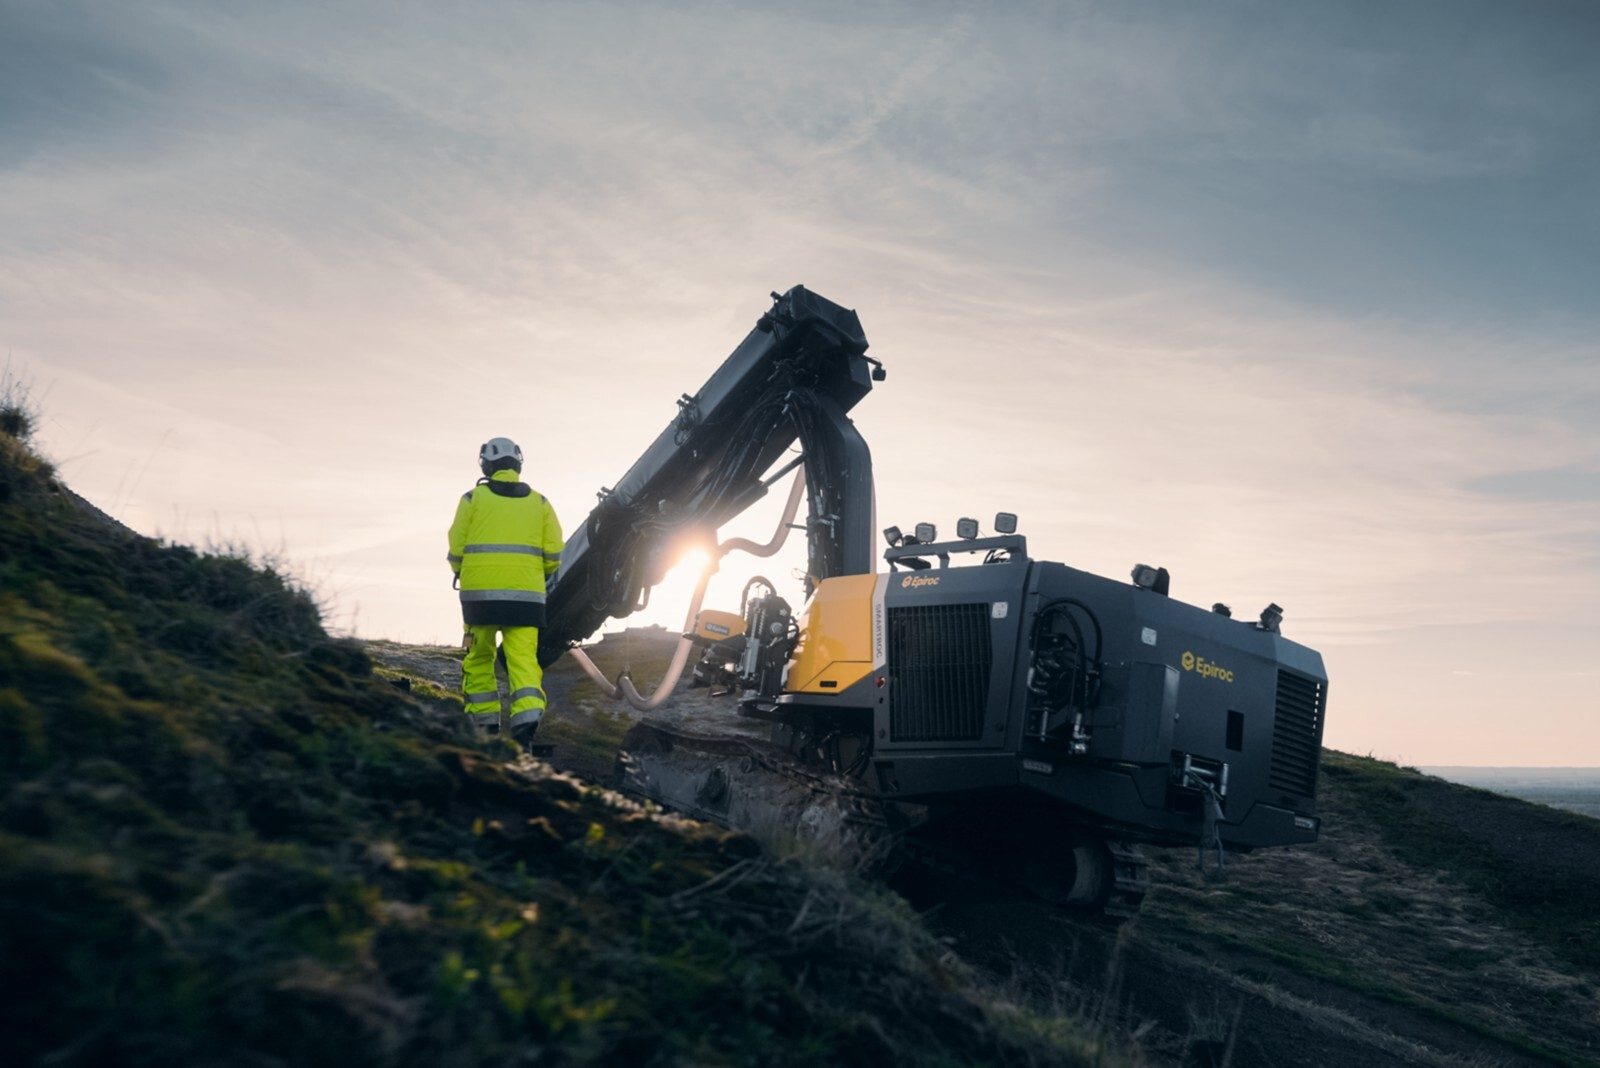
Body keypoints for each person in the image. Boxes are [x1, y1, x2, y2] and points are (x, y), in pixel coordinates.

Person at [447, 437, 563, 749]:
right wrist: (540, 573)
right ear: (518, 465)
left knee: (479, 656)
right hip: (527, 599)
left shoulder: (472, 499)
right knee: (523, 660)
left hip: (479, 599)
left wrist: (461, 569)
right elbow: (554, 553)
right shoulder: (540, 503)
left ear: (486, 466)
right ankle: (525, 722)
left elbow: (456, 548)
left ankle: (485, 725)